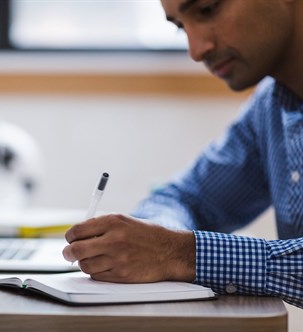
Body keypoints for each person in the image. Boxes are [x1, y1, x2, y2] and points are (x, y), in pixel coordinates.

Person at [62, 0, 303, 308]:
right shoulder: (271, 107)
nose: (196, 50)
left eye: (207, 9)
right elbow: (184, 198)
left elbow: (177, 247)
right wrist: (151, 240)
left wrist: (179, 253)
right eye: (179, 27)